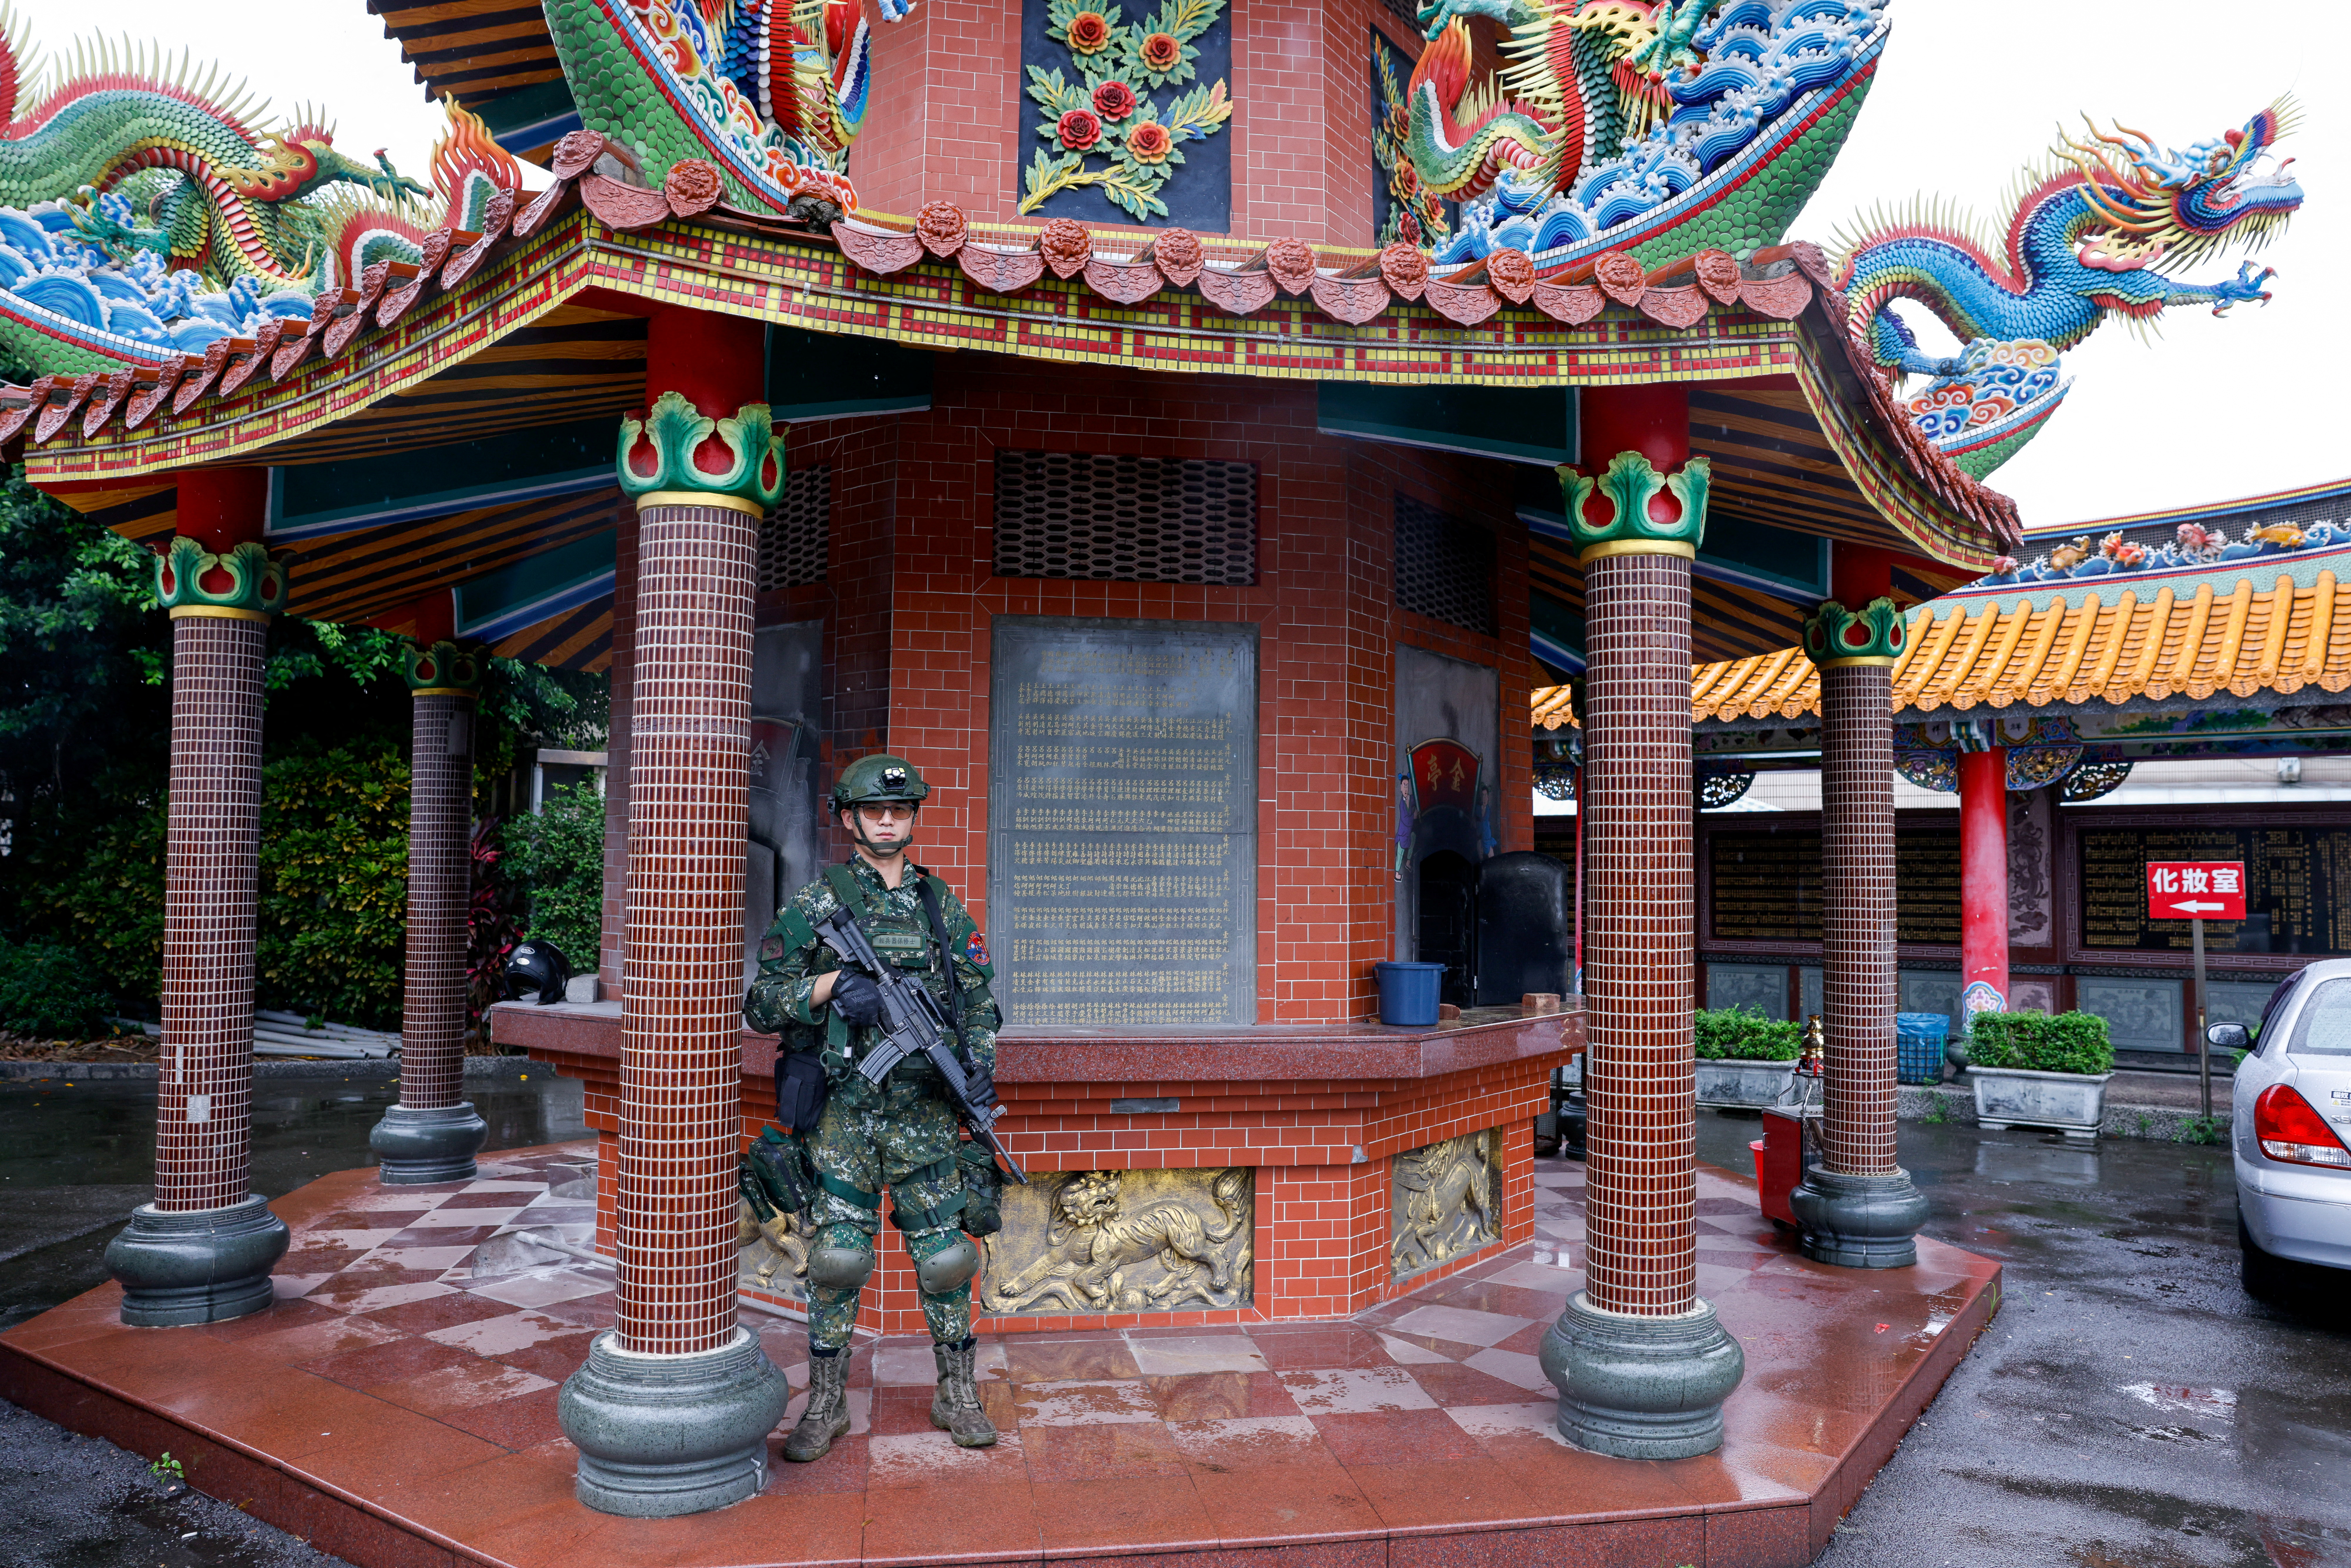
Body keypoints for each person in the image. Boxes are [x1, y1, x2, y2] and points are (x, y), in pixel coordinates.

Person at [744, 753, 1003, 1461]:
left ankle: (957, 1393)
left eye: (900, 810)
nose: (888, 821)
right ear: (850, 818)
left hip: (924, 1114)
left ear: (914, 818)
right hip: (843, 1116)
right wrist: (829, 988)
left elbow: (980, 1000)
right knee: (836, 1260)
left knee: (948, 1259)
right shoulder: (817, 906)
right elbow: (761, 1004)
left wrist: (976, 1064)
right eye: (875, 811)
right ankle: (826, 1405)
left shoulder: (939, 904)